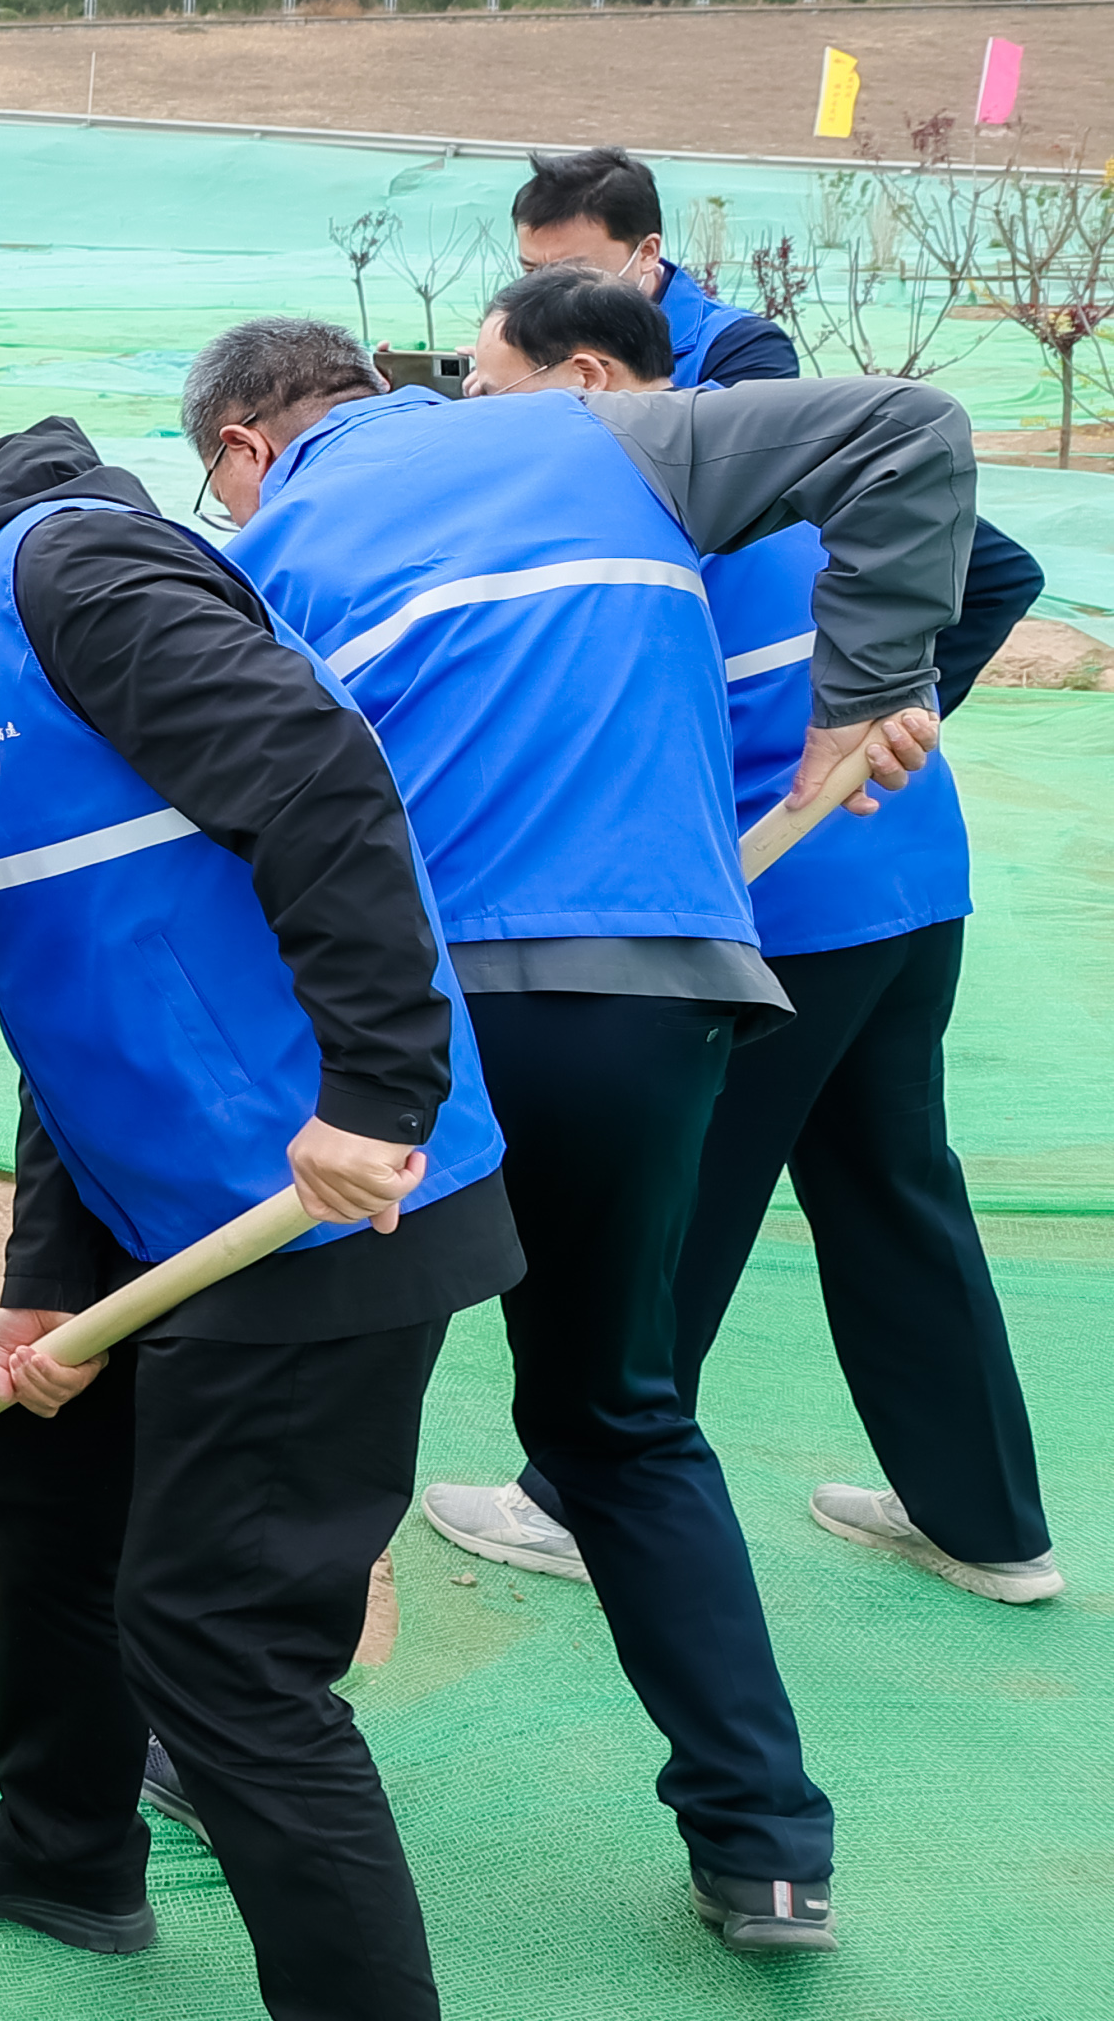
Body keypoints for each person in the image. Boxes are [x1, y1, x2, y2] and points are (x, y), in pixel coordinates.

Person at [188, 311, 970, 1958]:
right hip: (658, 993)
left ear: (249, 449)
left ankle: (228, 1740)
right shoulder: (600, 437)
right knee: (621, 1419)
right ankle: (766, 1847)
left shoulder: (267, 556)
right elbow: (912, 430)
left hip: (429, 1021)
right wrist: (870, 694)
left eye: (221, 484)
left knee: (334, 1388)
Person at [0, 325, 513, 2021]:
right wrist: (48, 1270)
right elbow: (73, 977)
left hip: (319, 1200)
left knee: (225, 1646)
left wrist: (377, 1090)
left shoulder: (73, 568)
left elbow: (325, 778)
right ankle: (65, 1844)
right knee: (51, 1486)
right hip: (166, 1191)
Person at [440, 269, 1055, 1606]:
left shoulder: (634, 498)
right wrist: (887, 713)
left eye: (489, 390)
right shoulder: (776, 442)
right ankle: (991, 1524)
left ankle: (572, 1499)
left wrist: (837, 732)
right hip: (905, 874)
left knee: (681, 1195)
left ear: (588, 377)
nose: (474, 418)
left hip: (782, 904)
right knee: (894, 1189)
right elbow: (996, 564)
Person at [509, 145, 795, 386]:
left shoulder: (745, 348)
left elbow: (712, 445)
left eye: (572, 273)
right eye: (532, 271)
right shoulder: (517, 339)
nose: (545, 291)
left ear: (646, 252)